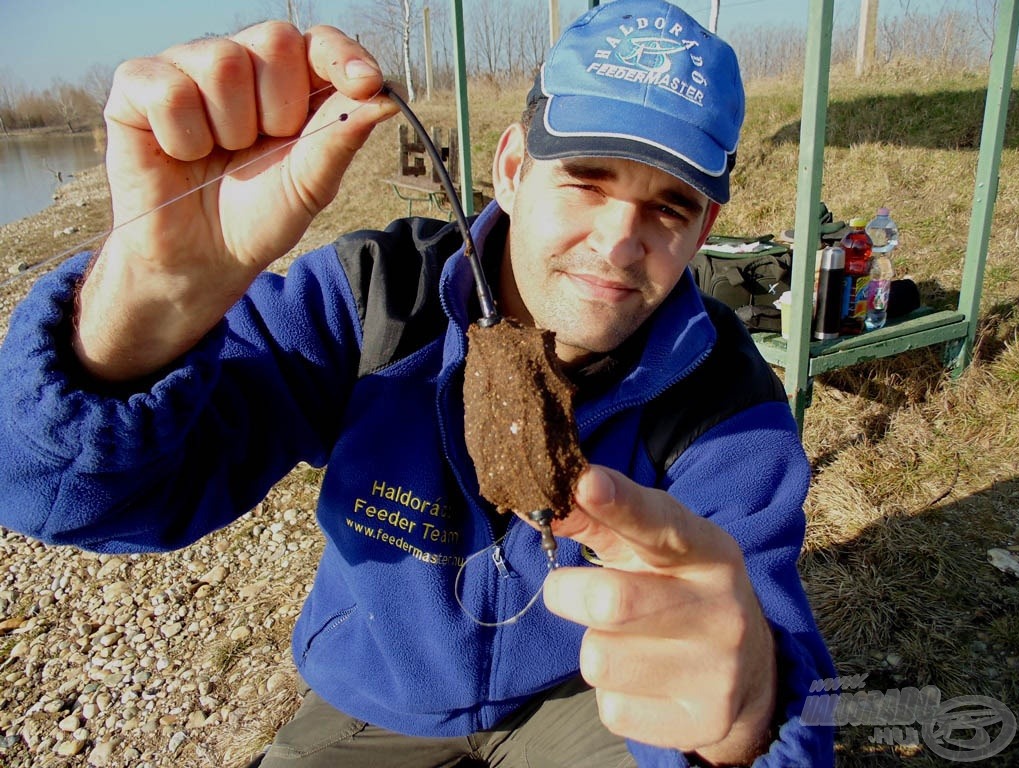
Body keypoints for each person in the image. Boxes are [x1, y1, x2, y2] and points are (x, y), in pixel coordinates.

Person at [0, 1, 836, 765]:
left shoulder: (726, 401)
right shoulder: (377, 299)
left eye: (669, 207)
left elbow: (759, 631)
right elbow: (63, 498)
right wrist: (146, 307)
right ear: (511, 167)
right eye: (586, 177)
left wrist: (748, 717)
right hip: (378, 703)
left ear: (704, 231)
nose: (620, 244)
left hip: (584, 698)